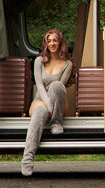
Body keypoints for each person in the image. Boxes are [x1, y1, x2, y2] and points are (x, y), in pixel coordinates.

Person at [21, 29, 73, 177]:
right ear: (46, 44)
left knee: (57, 85)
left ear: (60, 43)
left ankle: (56, 122)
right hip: (40, 100)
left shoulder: (68, 64)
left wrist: (52, 106)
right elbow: (39, 85)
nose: (52, 44)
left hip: (59, 103)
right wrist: (47, 106)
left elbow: (60, 88)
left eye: (55, 40)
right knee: (40, 111)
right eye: (49, 41)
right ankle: (27, 159)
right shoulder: (39, 61)